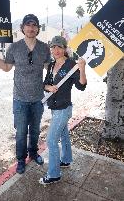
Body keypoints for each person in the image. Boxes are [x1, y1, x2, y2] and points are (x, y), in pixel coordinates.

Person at [0, 14, 50, 174]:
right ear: (22, 28)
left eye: (34, 25)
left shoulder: (44, 48)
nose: (31, 28)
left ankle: (33, 153)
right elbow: (7, 67)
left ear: (38, 28)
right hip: (20, 99)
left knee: (35, 130)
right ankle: (21, 160)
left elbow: (50, 68)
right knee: (21, 132)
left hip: (38, 99)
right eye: (28, 25)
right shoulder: (14, 48)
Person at [39, 36, 87, 185]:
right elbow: (45, 84)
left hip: (63, 109)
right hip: (54, 108)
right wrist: (49, 87)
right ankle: (66, 160)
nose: (56, 50)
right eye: (53, 47)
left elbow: (81, 86)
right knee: (64, 134)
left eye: (59, 47)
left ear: (65, 48)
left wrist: (82, 68)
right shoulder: (52, 65)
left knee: (51, 140)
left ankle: (54, 174)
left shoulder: (71, 65)